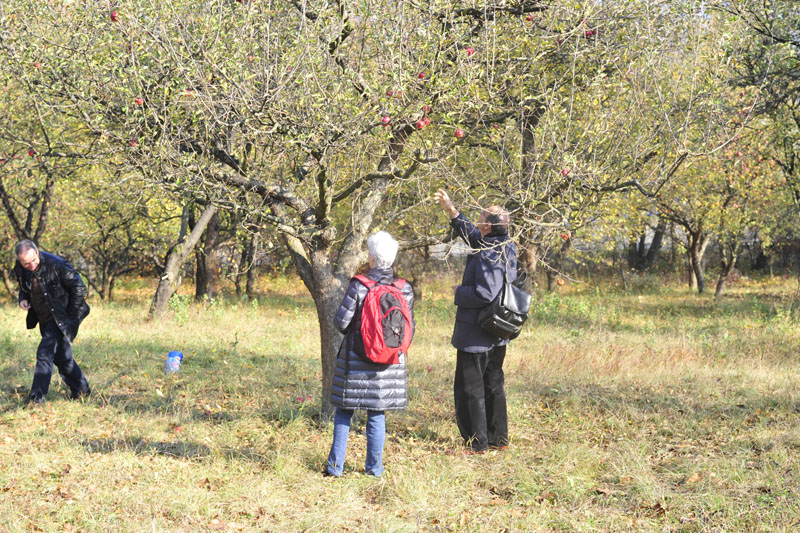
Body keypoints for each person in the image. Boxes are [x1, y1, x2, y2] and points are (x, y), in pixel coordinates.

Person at [433, 189, 517, 453]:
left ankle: (476, 443)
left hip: (477, 334)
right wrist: (451, 209)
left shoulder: (489, 251)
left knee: (471, 389)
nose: (478, 220)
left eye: (481, 217)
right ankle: (498, 439)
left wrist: (459, 292)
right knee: (493, 384)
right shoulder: (503, 244)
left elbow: (485, 292)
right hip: (497, 331)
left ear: (489, 226)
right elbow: (472, 234)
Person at [326, 231, 415, 477]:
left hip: (356, 361)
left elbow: (341, 323)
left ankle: (335, 468)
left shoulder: (359, 285)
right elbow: (410, 330)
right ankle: (374, 470)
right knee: (377, 415)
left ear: (372, 257)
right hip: (388, 365)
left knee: (344, 412)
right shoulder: (404, 288)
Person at [13, 240, 91, 405]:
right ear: (20, 261)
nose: (31, 265)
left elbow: (79, 287)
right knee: (62, 357)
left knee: (45, 352)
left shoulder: (57, 264)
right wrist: (23, 299)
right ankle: (81, 390)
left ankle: (36, 397)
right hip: (45, 318)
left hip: (62, 318)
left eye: (34, 261)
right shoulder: (22, 268)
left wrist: (69, 317)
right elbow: (23, 287)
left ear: (37, 252)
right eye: (26, 263)